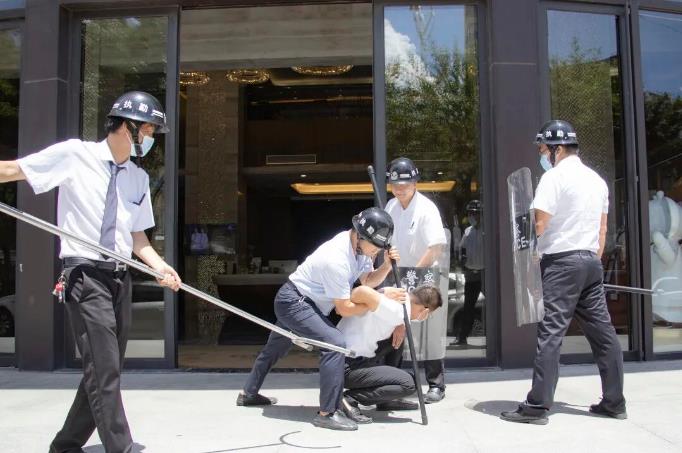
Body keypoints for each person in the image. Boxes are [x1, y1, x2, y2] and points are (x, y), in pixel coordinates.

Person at [0, 91, 182, 453]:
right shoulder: (75, 155)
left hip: (120, 278)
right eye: (149, 129)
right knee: (104, 368)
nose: (151, 137)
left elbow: (137, 237)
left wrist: (161, 267)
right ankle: (121, 447)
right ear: (128, 126)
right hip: (84, 275)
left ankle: (66, 445)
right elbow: (13, 169)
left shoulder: (137, 178)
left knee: (103, 368)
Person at [500, 119, 626, 425]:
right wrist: (591, 260)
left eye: (543, 149)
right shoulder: (597, 180)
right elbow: (602, 229)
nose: (542, 154)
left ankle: (537, 406)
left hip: (561, 263)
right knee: (603, 334)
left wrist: (528, 255)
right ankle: (614, 402)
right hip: (590, 262)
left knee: (551, 334)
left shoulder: (553, 177)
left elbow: (539, 224)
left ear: (556, 149)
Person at [238, 207, 400, 431]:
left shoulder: (361, 250)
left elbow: (367, 281)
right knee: (334, 344)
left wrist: (386, 266)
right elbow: (344, 309)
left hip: (304, 302)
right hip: (295, 302)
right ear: (361, 236)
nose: (377, 250)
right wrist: (375, 304)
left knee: (274, 348)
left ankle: (248, 393)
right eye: (375, 245)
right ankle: (327, 413)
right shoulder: (336, 258)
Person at [384, 157, 449, 404]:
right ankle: (392, 380)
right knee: (395, 326)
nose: (400, 189)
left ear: (415, 183)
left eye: (405, 184)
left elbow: (435, 248)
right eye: (395, 185)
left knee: (428, 331)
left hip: (424, 276)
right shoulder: (391, 206)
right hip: (398, 275)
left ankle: (436, 384)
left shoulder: (426, 208)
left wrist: (415, 276)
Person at [338, 284, 443, 423]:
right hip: (346, 365)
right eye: (429, 314)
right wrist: (382, 292)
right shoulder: (396, 310)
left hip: (352, 358)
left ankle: (385, 400)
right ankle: (349, 399)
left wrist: (401, 324)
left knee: (397, 342)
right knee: (409, 383)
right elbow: (361, 292)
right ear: (424, 311)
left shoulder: (400, 306)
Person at [452, 199, 484, 347]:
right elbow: (461, 249)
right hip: (471, 274)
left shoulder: (486, 230)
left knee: (492, 306)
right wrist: (461, 260)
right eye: (470, 213)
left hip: (485, 273)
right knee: (468, 307)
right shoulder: (467, 231)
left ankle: (494, 337)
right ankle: (462, 337)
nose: (473, 216)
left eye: (475, 213)